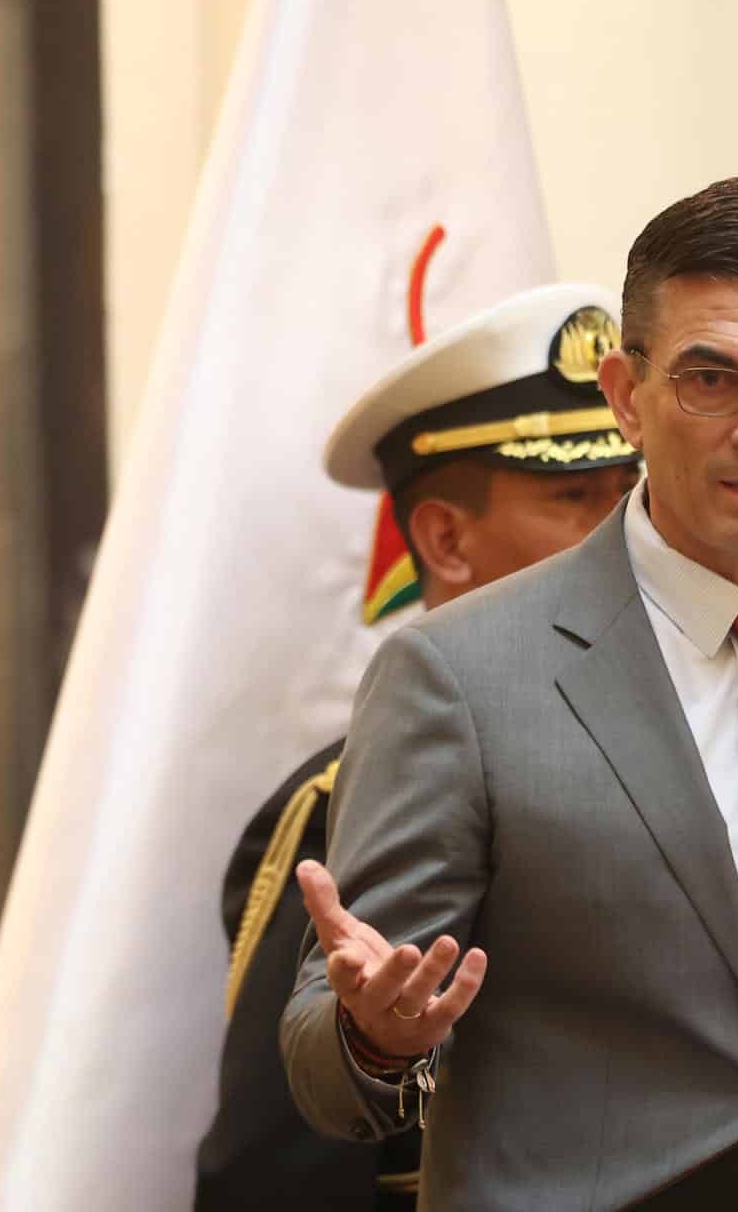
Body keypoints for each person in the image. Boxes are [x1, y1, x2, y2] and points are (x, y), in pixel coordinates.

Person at [280, 176, 738, 1211]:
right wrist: (375, 1034)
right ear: (627, 395)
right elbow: (326, 1058)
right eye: (713, 379)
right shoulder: (460, 676)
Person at [196, 284, 644, 1210]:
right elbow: (279, 1177)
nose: (628, 535)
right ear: (445, 537)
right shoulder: (346, 800)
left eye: (629, 492)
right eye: (574, 496)